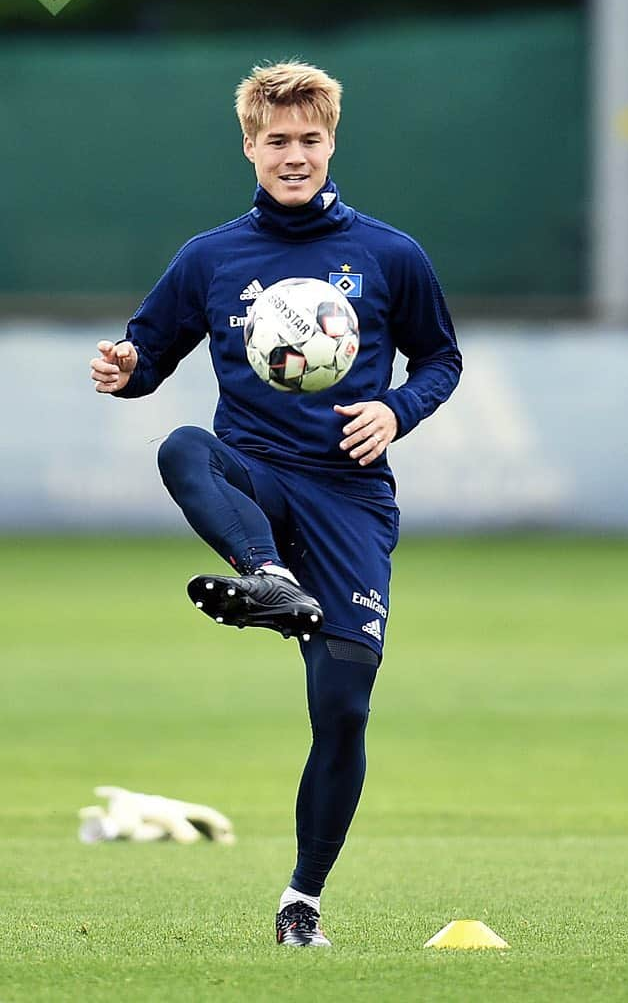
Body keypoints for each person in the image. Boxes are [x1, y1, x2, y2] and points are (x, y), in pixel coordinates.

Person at [90, 61, 462, 947]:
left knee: (342, 708)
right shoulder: (210, 258)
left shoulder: (389, 255)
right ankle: (266, 577)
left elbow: (440, 359)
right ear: (249, 146)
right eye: (276, 142)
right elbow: (149, 352)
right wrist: (125, 370)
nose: (294, 157)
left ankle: (304, 899)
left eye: (309, 140)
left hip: (349, 499)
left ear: (331, 142)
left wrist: (395, 409)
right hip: (256, 476)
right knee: (185, 446)